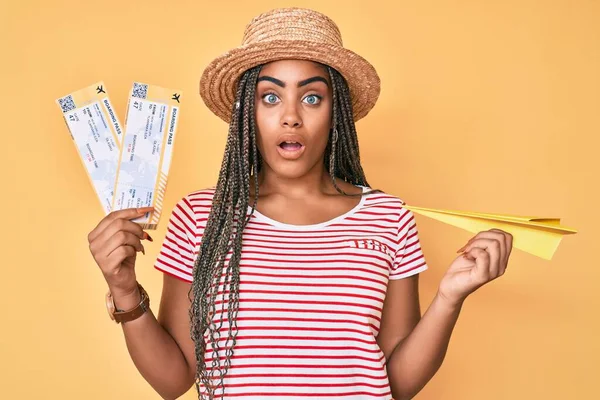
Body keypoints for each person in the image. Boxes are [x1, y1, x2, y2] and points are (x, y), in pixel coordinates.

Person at [87, 7, 513, 400]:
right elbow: (174, 380)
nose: (291, 116)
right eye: (270, 97)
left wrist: (449, 298)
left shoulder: (388, 216)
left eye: (312, 97)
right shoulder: (202, 217)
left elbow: (395, 385)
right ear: (247, 113)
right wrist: (124, 290)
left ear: (336, 112)